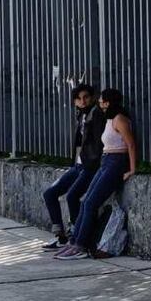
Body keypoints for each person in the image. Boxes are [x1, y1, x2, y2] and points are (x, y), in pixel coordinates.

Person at [54, 88, 136, 260]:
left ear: (108, 102)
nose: (99, 103)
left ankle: (81, 246)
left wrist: (132, 169)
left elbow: (131, 145)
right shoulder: (110, 119)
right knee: (85, 202)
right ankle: (74, 242)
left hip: (116, 162)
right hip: (106, 161)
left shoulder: (120, 119)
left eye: (101, 101)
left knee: (92, 203)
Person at [40, 84, 106, 250]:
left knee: (72, 197)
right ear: (74, 101)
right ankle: (60, 236)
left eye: (86, 97)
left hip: (89, 166)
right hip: (78, 166)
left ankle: (77, 237)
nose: (83, 101)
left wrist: (93, 164)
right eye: (78, 99)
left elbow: (99, 143)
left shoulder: (96, 114)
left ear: (92, 97)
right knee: (50, 194)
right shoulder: (81, 115)